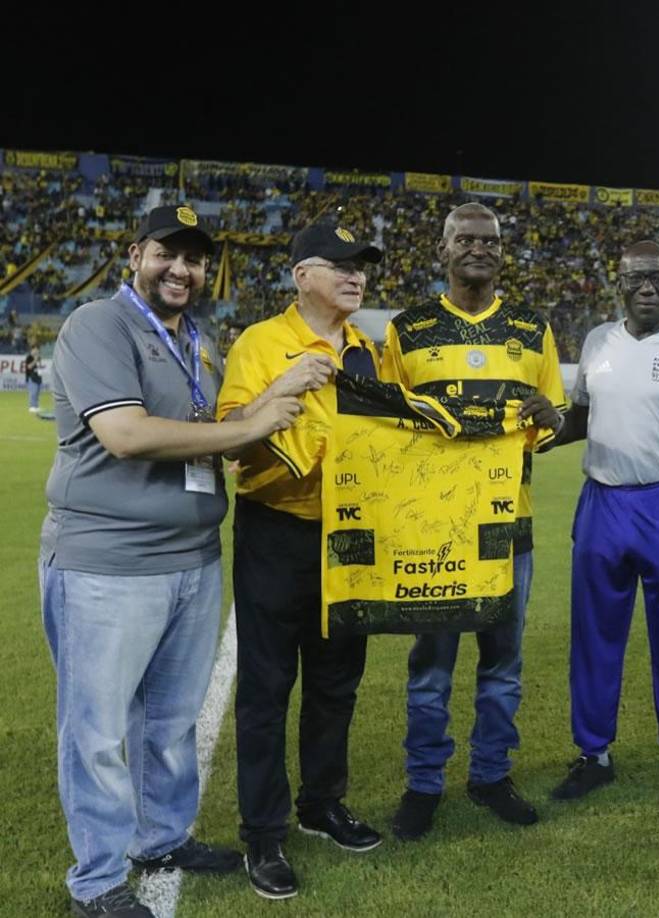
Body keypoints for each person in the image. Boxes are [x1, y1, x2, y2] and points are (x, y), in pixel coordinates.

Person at [40, 205, 302, 918]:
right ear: (135, 256)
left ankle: (159, 839)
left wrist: (275, 398)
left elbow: (213, 432)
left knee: (172, 718)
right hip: (108, 563)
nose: (181, 270)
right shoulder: (98, 325)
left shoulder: (201, 343)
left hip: (192, 559)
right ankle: (97, 881)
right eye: (167, 254)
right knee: (96, 732)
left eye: (194, 259)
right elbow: (126, 434)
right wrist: (252, 423)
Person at [380, 202, 566, 841]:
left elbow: (551, 419)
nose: (478, 249)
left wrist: (551, 416)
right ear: (443, 250)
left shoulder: (532, 330)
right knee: (431, 665)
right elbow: (386, 427)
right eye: (465, 240)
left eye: (490, 241)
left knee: (502, 662)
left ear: (502, 252)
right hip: (436, 530)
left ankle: (491, 775)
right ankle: (423, 783)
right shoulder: (407, 330)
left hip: (509, 528)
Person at [217, 222, 385, 899]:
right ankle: (263, 832)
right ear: (301, 276)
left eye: (361, 266)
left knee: (337, 681)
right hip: (277, 531)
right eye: (341, 264)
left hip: (351, 534)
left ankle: (322, 803)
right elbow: (229, 440)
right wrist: (282, 386)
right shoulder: (261, 343)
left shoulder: (370, 352)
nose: (356, 275)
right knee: (266, 687)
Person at [549, 240, 659, 820]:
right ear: (619, 283)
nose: (647, 287)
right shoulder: (598, 341)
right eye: (635, 278)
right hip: (602, 501)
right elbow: (579, 421)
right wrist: (534, 430)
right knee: (593, 636)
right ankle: (593, 755)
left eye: (658, 277)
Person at [24, 343, 42, 412]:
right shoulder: (29, 357)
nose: (37, 351)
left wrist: (38, 361)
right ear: (32, 350)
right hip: (31, 377)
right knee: (33, 393)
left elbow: (39, 367)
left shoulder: (39, 358)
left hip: (38, 377)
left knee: (37, 393)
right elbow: (29, 367)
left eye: (38, 350)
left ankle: (36, 406)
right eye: (35, 349)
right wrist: (35, 360)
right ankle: (32, 406)